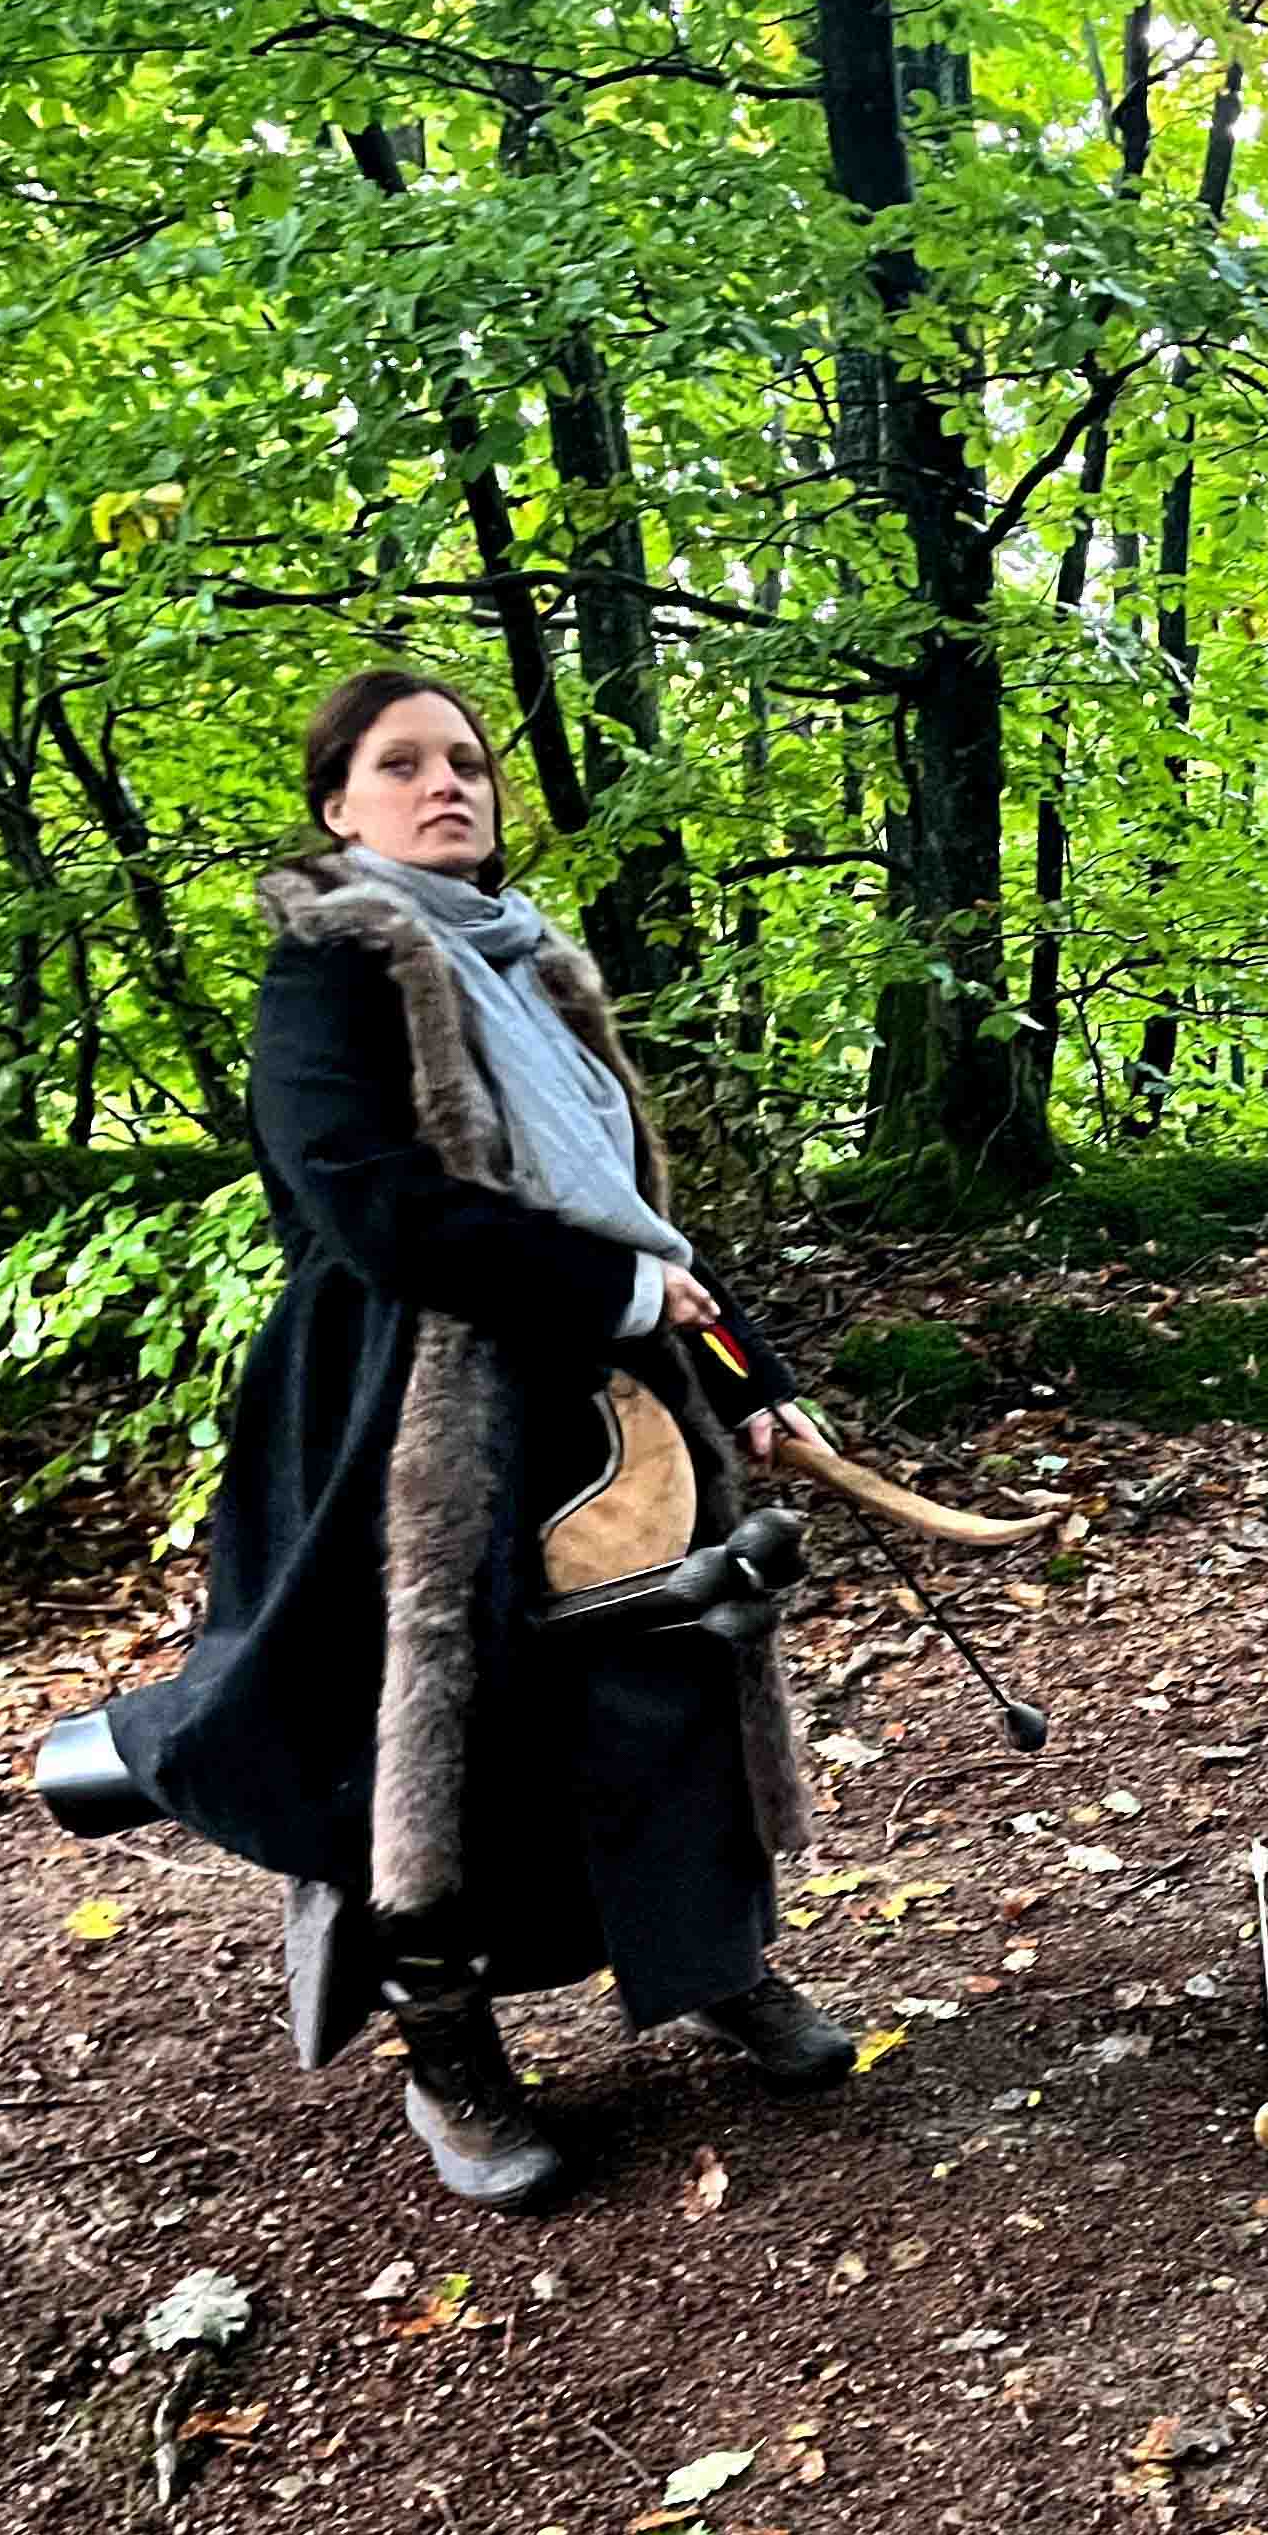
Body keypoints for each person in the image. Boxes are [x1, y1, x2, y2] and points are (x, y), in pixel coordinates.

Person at [103, 670, 854, 2210]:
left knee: (671, 1682)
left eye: (465, 759)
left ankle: (712, 1966)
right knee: (430, 1738)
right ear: (340, 806)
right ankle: (447, 2051)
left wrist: (747, 1376)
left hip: (607, 1400)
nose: (445, 783)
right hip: (404, 1418)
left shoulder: (538, 975)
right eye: (401, 763)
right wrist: (615, 1290)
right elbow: (372, 1206)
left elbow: (641, 1226)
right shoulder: (332, 969)